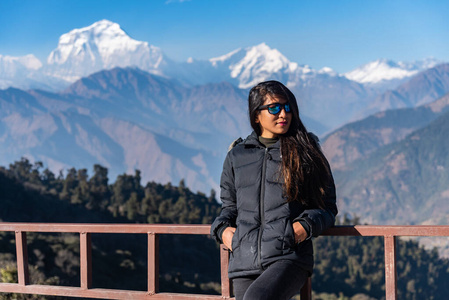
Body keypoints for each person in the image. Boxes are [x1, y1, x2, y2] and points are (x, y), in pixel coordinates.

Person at [210, 80, 337, 300]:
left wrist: (304, 227)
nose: (283, 114)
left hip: (288, 255)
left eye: (287, 107)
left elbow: (327, 207)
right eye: (274, 108)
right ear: (256, 115)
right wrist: (222, 230)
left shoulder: (305, 150)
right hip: (245, 260)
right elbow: (229, 207)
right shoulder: (236, 155)